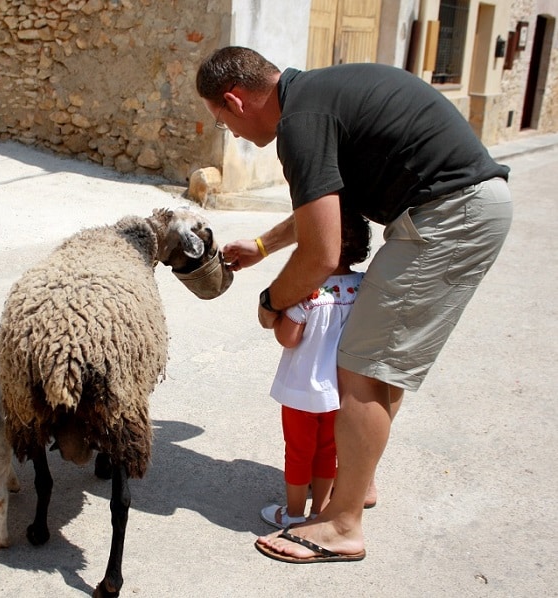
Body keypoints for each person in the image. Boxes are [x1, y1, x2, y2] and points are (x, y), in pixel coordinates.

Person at [195, 47, 512, 563]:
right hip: (464, 208)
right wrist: (261, 247)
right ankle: (354, 486)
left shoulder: (301, 123)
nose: (229, 132)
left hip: (449, 216)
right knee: (379, 362)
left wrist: (271, 302)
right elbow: (328, 214)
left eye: (222, 120)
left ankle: (342, 525)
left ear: (235, 100)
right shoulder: (315, 100)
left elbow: (321, 255)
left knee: (361, 367)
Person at [261, 209, 370, 530]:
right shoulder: (363, 288)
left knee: (298, 453)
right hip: (342, 392)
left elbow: (288, 339)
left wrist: (281, 311)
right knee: (327, 452)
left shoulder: (308, 294)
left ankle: (293, 514)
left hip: (303, 392)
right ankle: (320, 511)